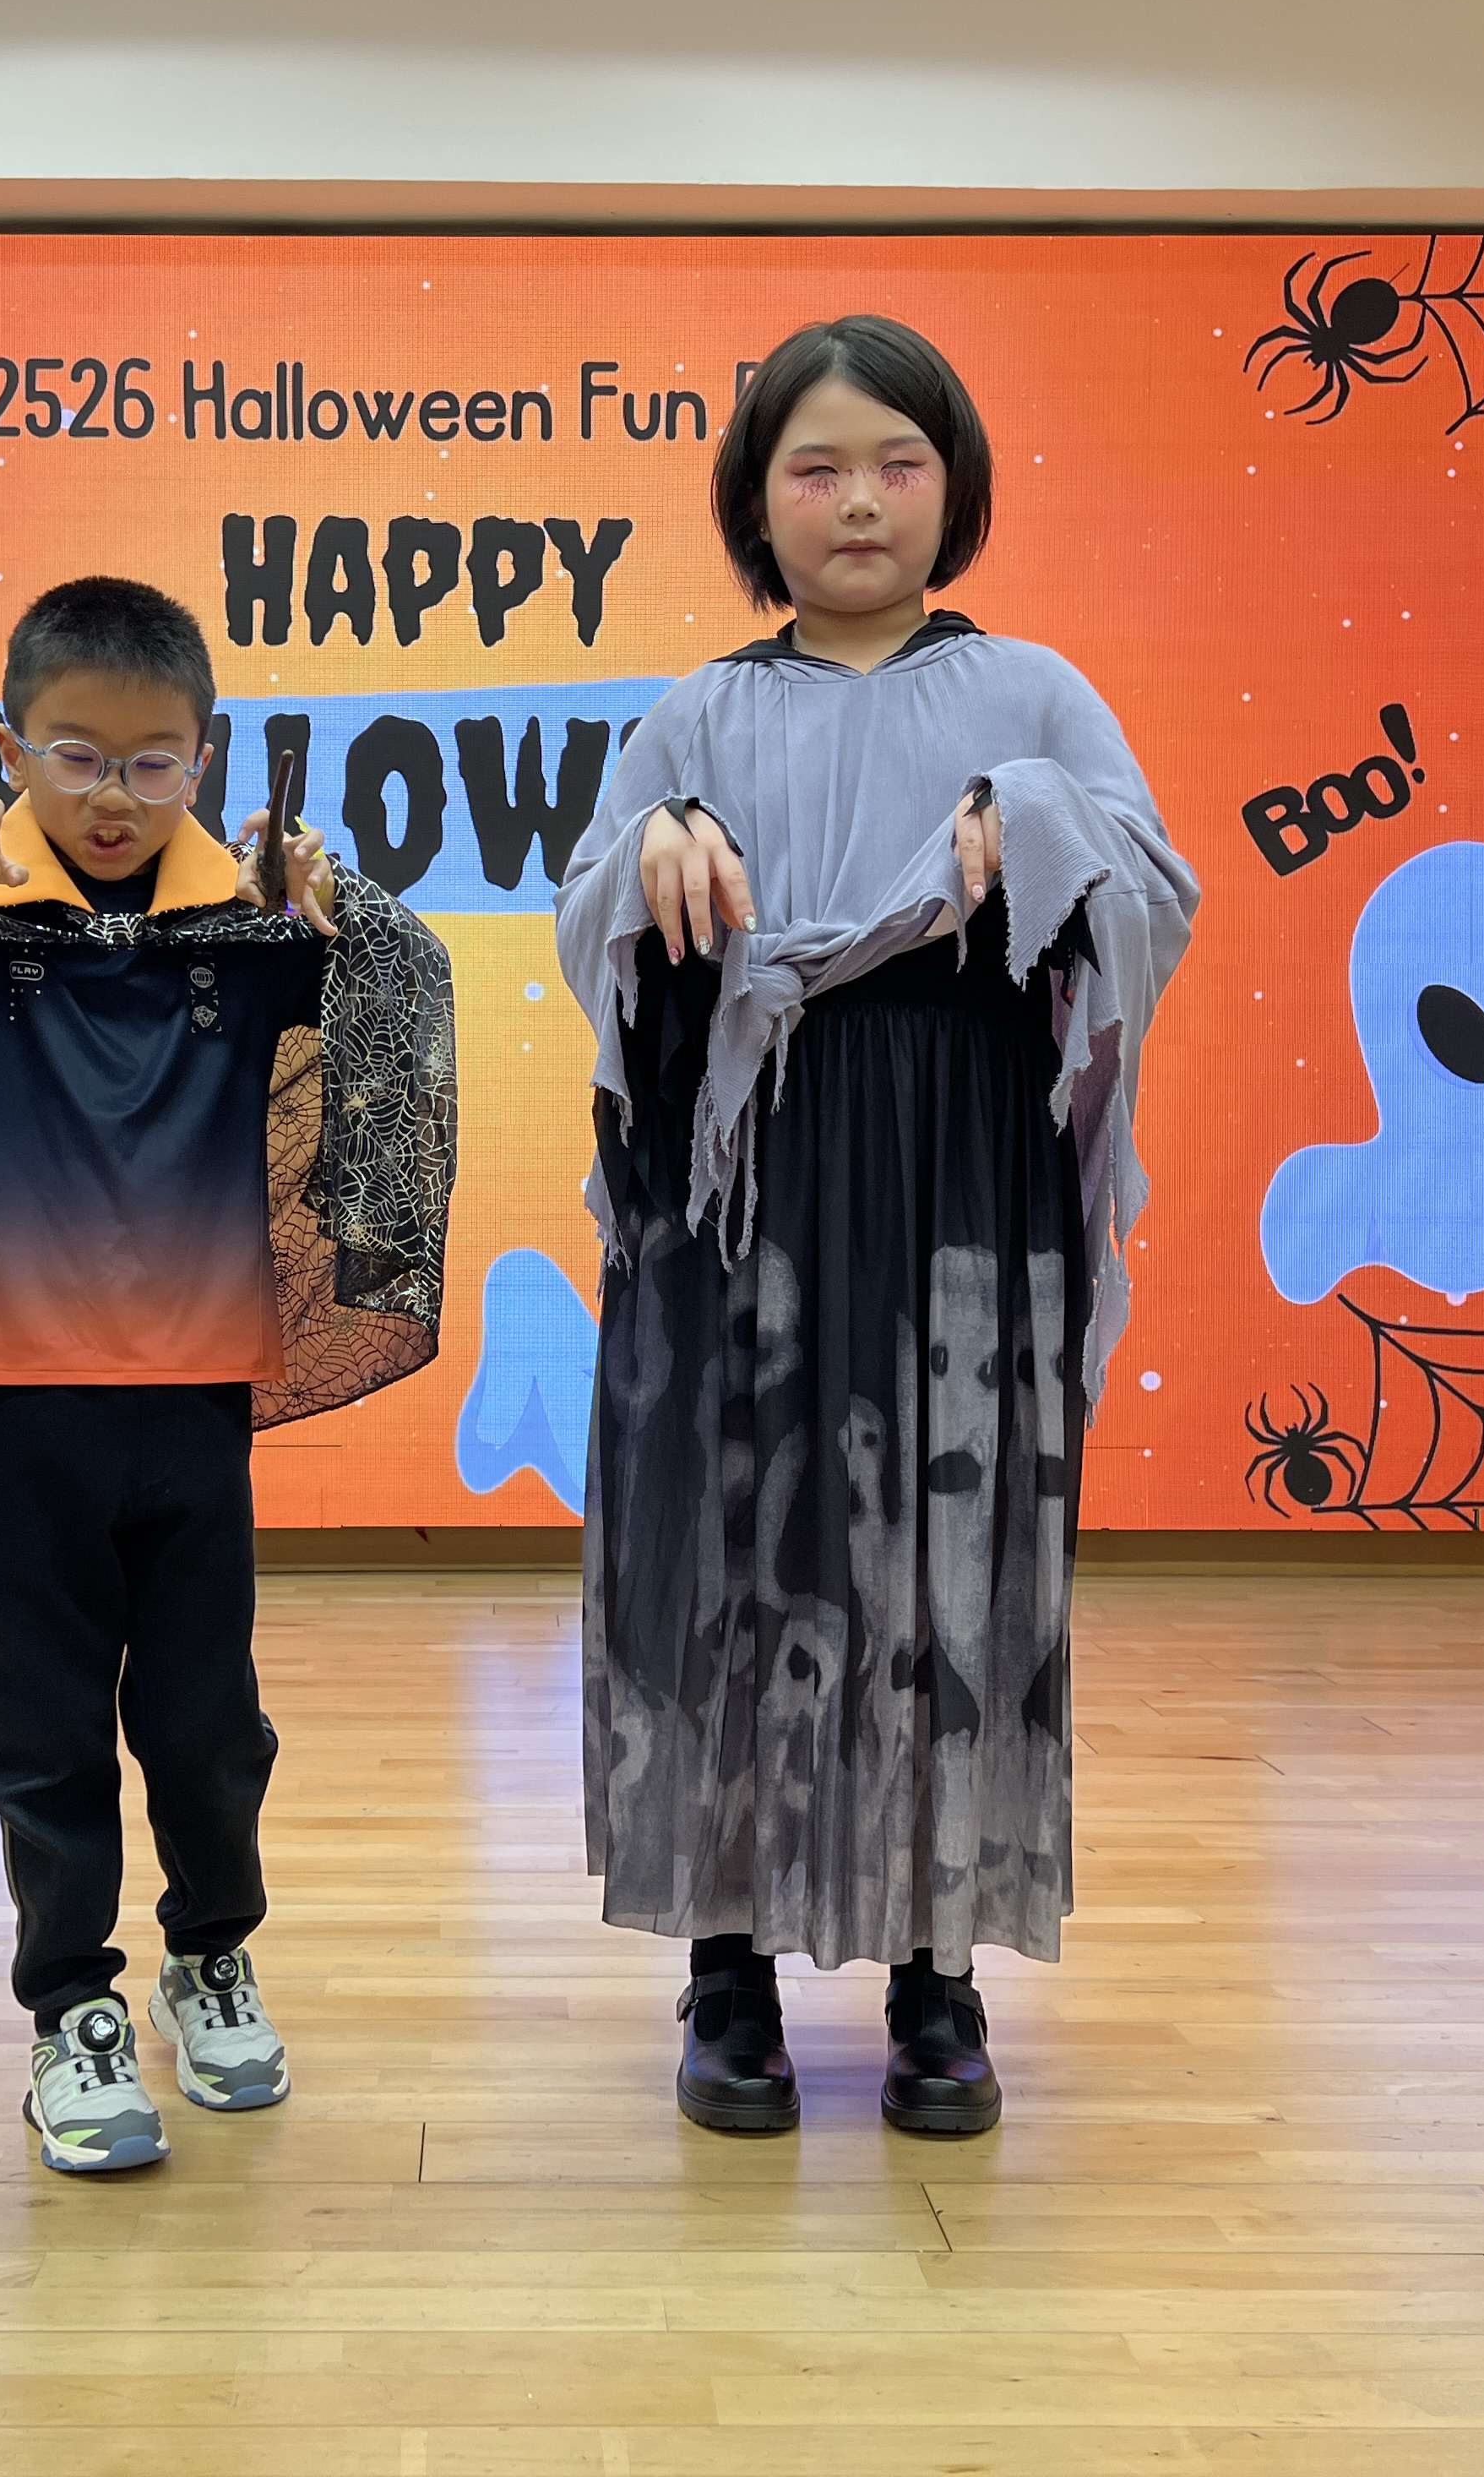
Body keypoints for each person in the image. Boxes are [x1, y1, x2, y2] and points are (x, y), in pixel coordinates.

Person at [0, 577, 458, 2175]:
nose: (113, 796)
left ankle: (211, 1955)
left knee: (207, 1722)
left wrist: (339, 900)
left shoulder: (248, 941)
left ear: (205, 758)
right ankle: (71, 2008)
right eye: (75, 757)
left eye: (151, 763)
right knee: (40, 1726)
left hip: (196, 1404)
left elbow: (396, 997)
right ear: (10, 752)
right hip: (18, 1403)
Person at [554, 316, 1196, 2137]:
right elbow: (594, 917)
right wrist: (653, 855)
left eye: (898, 465)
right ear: (757, 498)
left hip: (960, 1161)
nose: (859, 501)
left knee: (950, 1550)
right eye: (817, 467)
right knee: (725, 1542)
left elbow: (1152, 888)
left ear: (954, 488)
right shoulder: (695, 713)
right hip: (738, 1171)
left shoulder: (1037, 695)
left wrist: (1040, 819)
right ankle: (725, 1966)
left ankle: (940, 1973)